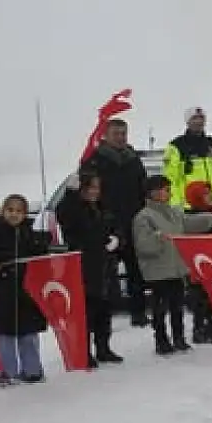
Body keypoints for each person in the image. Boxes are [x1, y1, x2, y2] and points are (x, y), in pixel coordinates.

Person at [132, 175, 212, 355]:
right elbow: (143, 245)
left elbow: (190, 223)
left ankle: (179, 338)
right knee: (160, 308)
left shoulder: (174, 212)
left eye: (168, 189)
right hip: (158, 271)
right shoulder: (143, 217)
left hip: (176, 267)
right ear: (151, 192)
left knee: (177, 306)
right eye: (162, 189)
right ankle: (161, 340)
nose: (166, 192)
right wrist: (158, 238)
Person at [79, 117, 149, 326]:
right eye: (116, 134)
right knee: (104, 273)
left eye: (123, 134)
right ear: (106, 135)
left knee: (135, 270)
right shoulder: (94, 159)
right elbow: (86, 192)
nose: (120, 138)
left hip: (132, 220)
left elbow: (143, 187)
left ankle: (138, 311)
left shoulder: (133, 159)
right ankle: (105, 313)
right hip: (105, 223)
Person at [0, 194, 52, 385]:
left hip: (27, 292)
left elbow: (42, 261)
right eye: (10, 210)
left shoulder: (30, 232)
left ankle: (32, 369)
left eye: (19, 211)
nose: (14, 215)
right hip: (2, 292)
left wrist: (43, 245)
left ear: (25, 214)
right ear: (3, 211)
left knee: (29, 334)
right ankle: (6, 371)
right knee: (4, 335)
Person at [56, 170, 125, 366]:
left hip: (106, 265)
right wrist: (70, 193)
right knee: (86, 312)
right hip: (84, 265)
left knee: (105, 310)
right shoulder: (75, 209)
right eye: (90, 187)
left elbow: (116, 226)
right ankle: (84, 352)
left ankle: (103, 348)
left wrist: (118, 240)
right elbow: (65, 216)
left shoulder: (104, 207)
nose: (94, 192)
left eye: (97, 187)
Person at [182, 181, 212, 343]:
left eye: (210, 192)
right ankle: (199, 328)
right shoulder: (191, 217)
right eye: (204, 193)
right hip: (198, 266)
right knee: (199, 297)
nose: (209, 196)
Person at [164, 107, 212, 207]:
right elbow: (171, 178)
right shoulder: (176, 146)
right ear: (188, 122)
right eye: (194, 118)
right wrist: (175, 203)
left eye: (201, 118)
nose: (199, 121)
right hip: (190, 204)